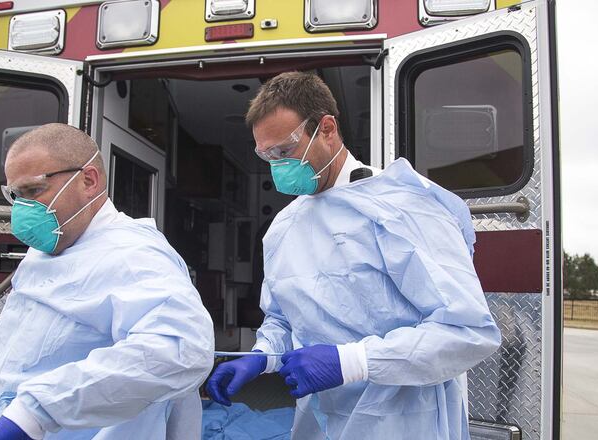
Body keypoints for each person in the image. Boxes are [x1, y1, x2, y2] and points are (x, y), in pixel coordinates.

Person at [205, 72, 501, 439]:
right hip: (321, 419)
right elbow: (284, 319)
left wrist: (354, 361)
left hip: (404, 421)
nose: (277, 166)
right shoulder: (284, 228)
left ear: (327, 129)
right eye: (266, 155)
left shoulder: (402, 208)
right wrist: (262, 356)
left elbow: (468, 331)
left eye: (285, 151)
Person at [0, 123, 214, 440]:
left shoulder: (133, 255)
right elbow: (13, 330)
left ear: (88, 181)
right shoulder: (46, 250)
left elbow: (180, 350)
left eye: (33, 191)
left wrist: (36, 412)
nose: (22, 210)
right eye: (15, 196)